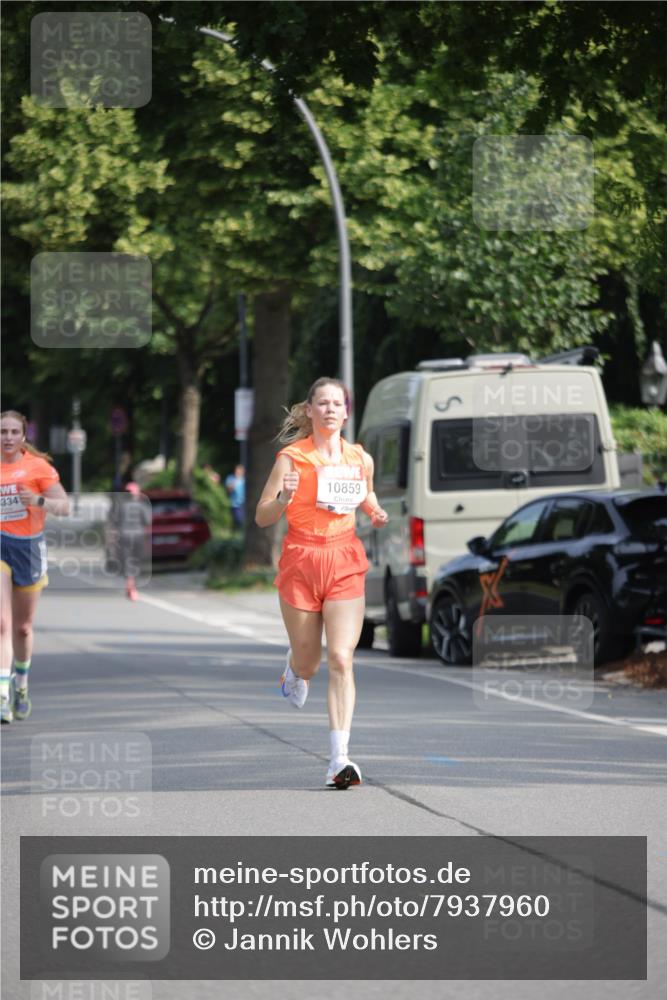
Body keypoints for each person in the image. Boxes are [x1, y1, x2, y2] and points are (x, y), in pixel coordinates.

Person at [255, 378, 388, 789]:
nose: (331, 409)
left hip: (344, 559)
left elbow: (365, 494)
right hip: (301, 560)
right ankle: (293, 670)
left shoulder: (359, 459)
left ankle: (338, 758)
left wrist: (377, 510)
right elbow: (262, 515)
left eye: (338, 403)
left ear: (346, 413)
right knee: (310, 663)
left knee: (342, 659)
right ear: (309, 411)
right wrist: (283, 499)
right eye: (323, 403)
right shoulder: (292, 459)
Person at [0, 410, 70, 723]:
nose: (8, 438)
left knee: (22, 626)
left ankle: (22, 687)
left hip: (29, 548)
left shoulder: (38, 468)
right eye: (3, 432)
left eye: (14, 432)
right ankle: (2, 694)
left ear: (24, 436)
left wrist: (37, 501)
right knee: (1, 623)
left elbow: (65, 507)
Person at [107, 481, 150, 601]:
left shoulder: (120, 505)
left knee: (126, 560)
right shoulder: (142, 506)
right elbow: (147, 521)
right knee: (136, 560)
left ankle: (130, 584)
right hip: (138, 536)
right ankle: (133, 585)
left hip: (124, 536)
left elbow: (113, 521)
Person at [225, 464, 246, 530]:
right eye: (237, 470)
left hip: (244, 503)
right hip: (235, 504)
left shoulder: (245, 479)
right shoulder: (231, 478)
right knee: (239, 519)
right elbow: (228, 491)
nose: (238, 472)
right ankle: (239, 531)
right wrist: (236, 480)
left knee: (244, 519)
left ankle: (240, 531)